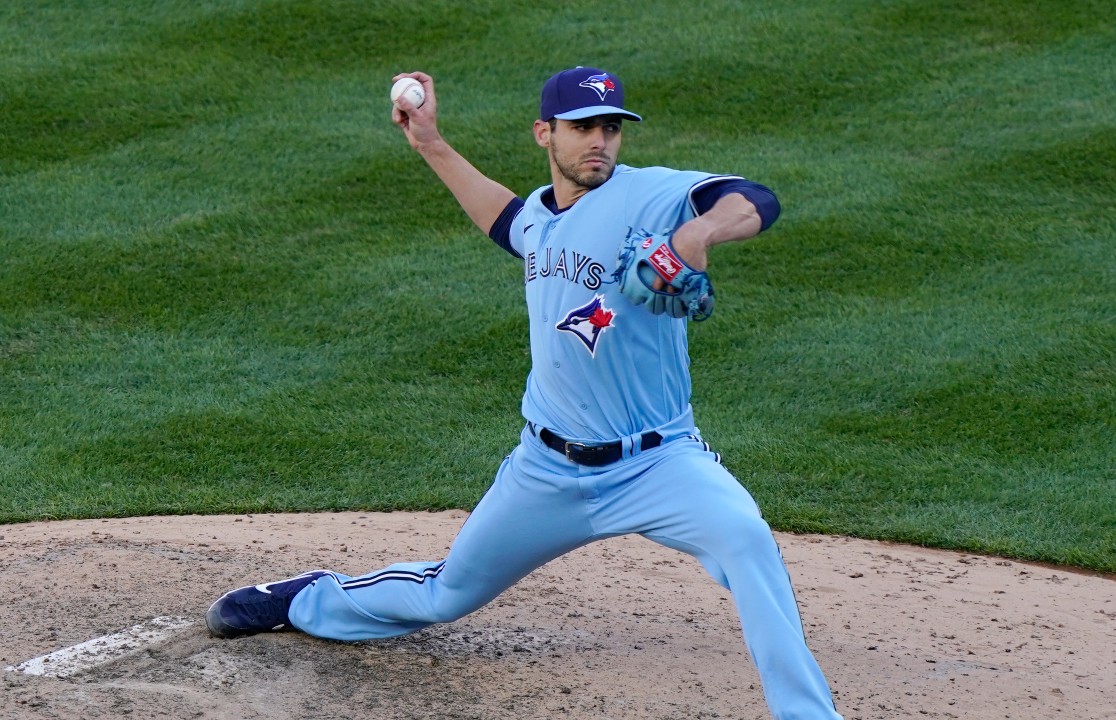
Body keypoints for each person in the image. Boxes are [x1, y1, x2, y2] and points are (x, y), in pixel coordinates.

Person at [206, 66, 843, 720]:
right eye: (583, 128)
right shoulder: (541, 216)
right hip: (547, 469)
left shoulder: (648, 195)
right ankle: (306, 600)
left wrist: (696, 235)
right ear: (546, 133)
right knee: (445, 593)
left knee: (746, 539)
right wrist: (429, 143)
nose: (600, 141)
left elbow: (755, 199)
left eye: (611, 128)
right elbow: (505, 218)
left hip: (658, 464)